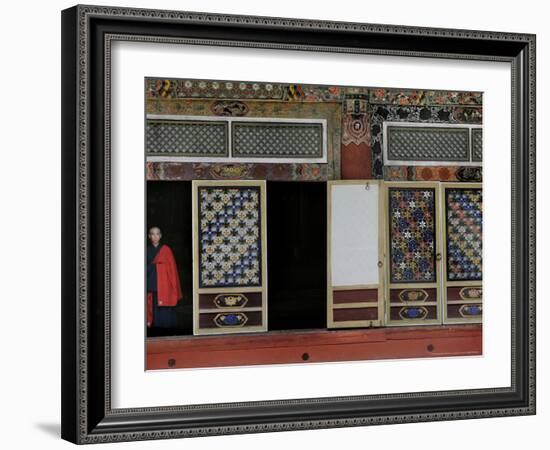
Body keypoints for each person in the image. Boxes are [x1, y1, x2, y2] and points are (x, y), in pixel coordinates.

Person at [146, 226, 182, 329]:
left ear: (160, 236)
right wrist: (155, 266)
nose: (155, 236)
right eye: (152, 234)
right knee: (153, 310)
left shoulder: (166, 250)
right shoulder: (146, 250)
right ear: (149, 236)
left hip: (165, 285)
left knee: (166, 311)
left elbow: (172, 269)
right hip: (152, 285)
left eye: (157, 234)